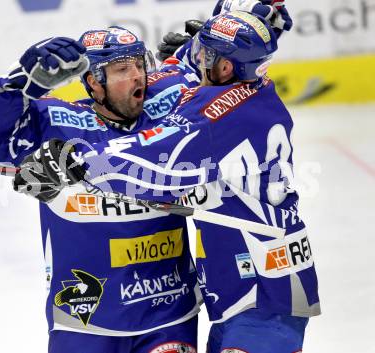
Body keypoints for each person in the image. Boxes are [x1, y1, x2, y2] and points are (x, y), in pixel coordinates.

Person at [17, 11, 320, 353]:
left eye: (205, 54)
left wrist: (75, 162)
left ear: (224, 68)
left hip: (260, 291)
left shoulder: (216, 113)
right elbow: (248, 30)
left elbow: (154, 159)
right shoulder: (255, 89)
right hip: (252, 283)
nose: (196, 59)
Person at [0, 28, 201, 353]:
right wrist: (21, 80)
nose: (137, 77)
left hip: (167, 309)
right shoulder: (55, 119)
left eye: (139, 65)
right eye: (122, 69)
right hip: (85, 315)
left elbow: (227, 84)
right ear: (93, 81)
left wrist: (203, 54)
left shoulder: (168, 104)